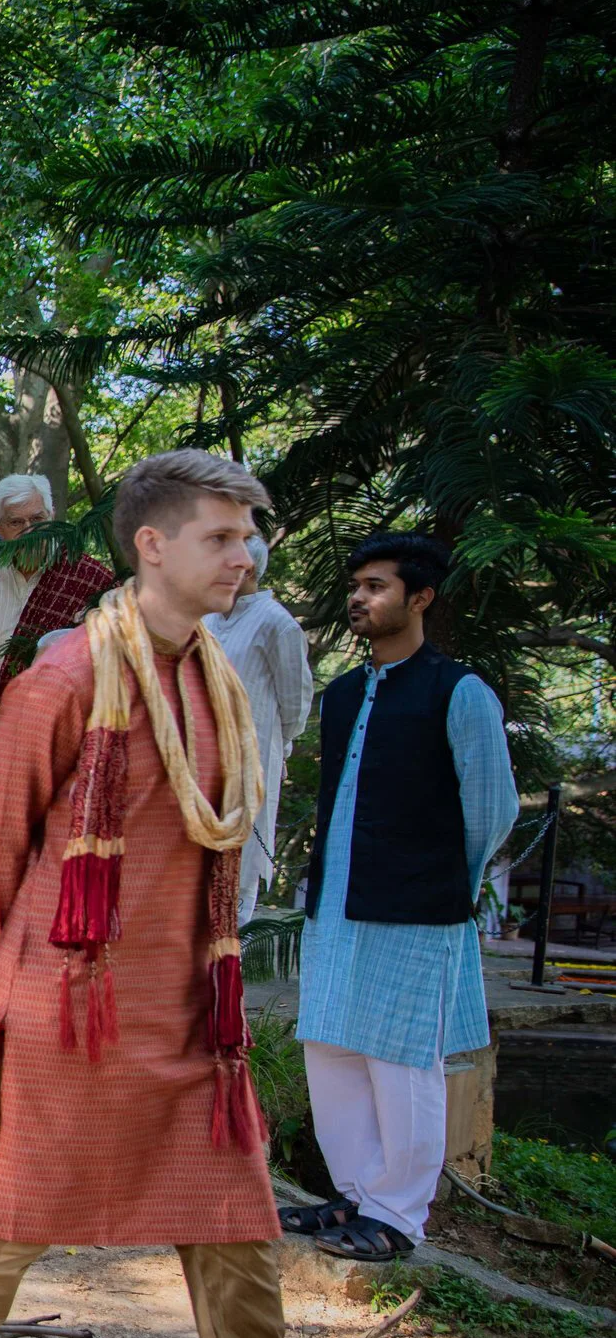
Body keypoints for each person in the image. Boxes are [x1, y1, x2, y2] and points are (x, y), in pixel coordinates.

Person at [0, 449, 413, 1338]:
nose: (244, 556)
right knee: (14, 1206)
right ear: (152, 544)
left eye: (247, 537)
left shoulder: (208, 673)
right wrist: (2, 1002)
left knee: (238, 1211)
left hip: (191, 1004)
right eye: (221, 536)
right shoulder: (65, 677)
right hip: (73, 998)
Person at [288, 534, 515, 1263]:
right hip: (337, 901)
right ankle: (356, 1193)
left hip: (418, 906)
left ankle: (398, 1215)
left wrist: (443, 876)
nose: (359, 597)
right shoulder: (343, 694)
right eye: (356, 585)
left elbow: (492, 809)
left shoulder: (459, 691)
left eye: (376, 586)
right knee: (330, 1045)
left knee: (403, 1057)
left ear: (421, 598)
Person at [0, 472, 113, 793]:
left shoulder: (90, 579)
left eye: (38, 519)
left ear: (53, 516)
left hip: (68, 755)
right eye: (16, 522)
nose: (30, 531)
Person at [205, 535, 314, 925]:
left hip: (251, 755)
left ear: (247, 569)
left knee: (241, 861)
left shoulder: (276, 623)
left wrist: (276, 746)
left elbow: (295, 701)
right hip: (200, 756)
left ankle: (232, 943)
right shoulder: (208, 618)